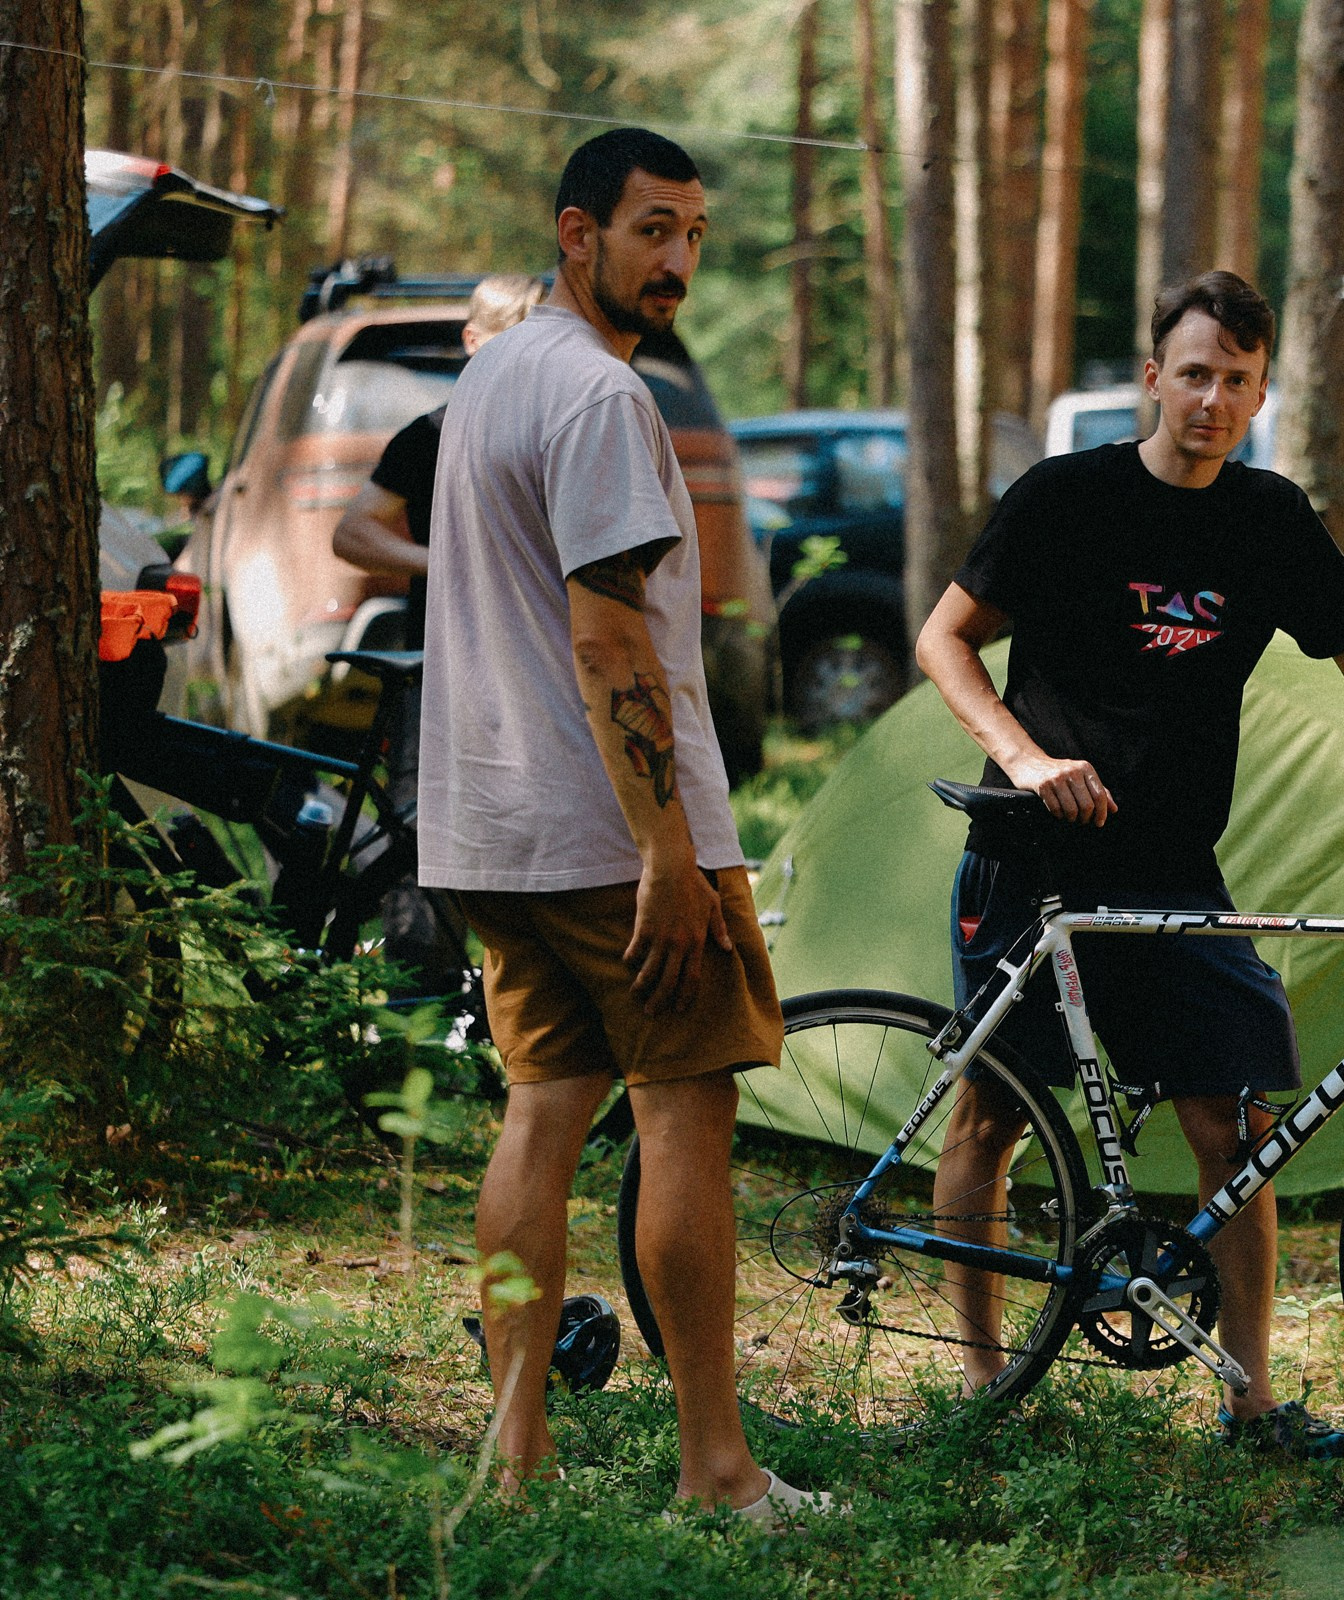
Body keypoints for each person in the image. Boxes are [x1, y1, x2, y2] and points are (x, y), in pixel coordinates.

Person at [915, 270, 1344, 1461]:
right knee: (992, 1115)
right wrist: (1024, 752)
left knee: (1238, 1126)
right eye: (1193, 372)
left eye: (1237, 381)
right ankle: (984, 1385)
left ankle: (1250, 1401)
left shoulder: (1265, 520)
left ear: (1260, 392)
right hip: (1031, 852)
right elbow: (943, 636)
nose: (1212, 398)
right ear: (1153, 376)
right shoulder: (1064, 496)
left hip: (1172, 865)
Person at [418, 128, 813, 1523]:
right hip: (612, 838)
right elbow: (609, 646)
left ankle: (514, 1455)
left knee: (540, 1115)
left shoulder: (492, 376)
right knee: (687, 1116)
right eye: (653, 230)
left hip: (490, 828)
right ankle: (719, 1471)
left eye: (694, 234)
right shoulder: (595, 398)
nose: (680, 263)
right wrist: (669, 852)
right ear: (578, 234)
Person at [332, 273, 545, 649]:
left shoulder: (568, 432)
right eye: (512, 342)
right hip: (451, 653)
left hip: (546, 650)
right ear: (472, 341)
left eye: (541, 344)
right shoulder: (431, 436)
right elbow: (352, 535)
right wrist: (443, 563)